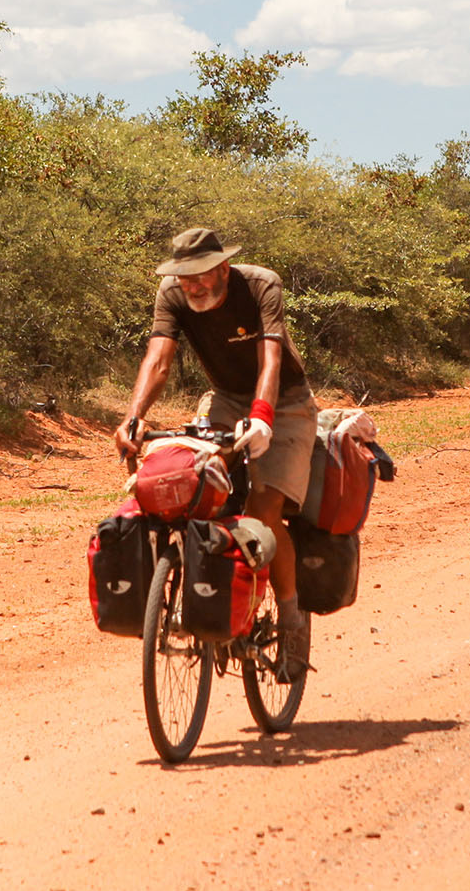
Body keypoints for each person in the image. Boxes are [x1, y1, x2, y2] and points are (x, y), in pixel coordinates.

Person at [116, 227, 320, 679]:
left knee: (264, 509)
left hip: (286, 402)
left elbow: (270, 361)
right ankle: (212, 598)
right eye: (184, 277)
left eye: (201, 276)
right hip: (226, 399)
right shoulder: (171, 294)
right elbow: (158, 360)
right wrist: (134, 417)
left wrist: (263, 417)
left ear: (224, 268)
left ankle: (291, 622)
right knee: (193, 490)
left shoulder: (261, 285)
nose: (192, 286)